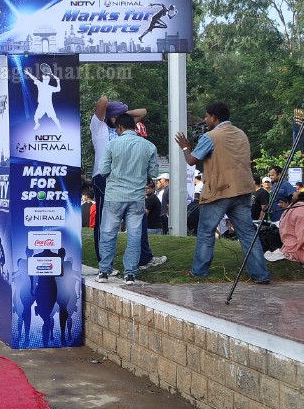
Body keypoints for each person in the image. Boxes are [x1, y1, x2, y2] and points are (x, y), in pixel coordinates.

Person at [175, 102, 271, 284]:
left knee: (205, 232)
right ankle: (261, 275)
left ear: (214, 117)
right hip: (242, 189)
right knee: (248, 234)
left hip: (219, 191)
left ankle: (199, 272)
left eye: (206, 116)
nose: (205, 119)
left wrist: (185, 146)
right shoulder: (241, 133)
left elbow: (192, 160)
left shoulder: (211, 136)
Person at [96, 113, 158, 285]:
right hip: (137, 197)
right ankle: (130, 273)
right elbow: (153, 173)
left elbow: (103, 171)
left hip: (114, 196)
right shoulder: (149, 146)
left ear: (120, 128)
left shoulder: (112, 144)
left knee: (108, 233)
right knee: (135, 235)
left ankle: (104, 271)